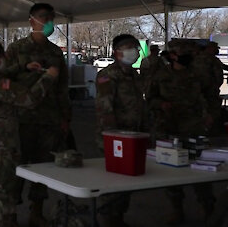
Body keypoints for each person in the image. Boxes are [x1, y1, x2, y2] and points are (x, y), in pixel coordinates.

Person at [0, 38, 58, 227]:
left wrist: (24, 67)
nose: (5, 61)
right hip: (0, 148)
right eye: (2, 57)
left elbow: (1, 73)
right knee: (4, 198)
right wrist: (48, 77)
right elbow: (29, 99)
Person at [4, 3, 73, 226]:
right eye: (44, 17)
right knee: (18, 167)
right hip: (21, 119)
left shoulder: (55, 52)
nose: (49, 22)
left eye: (52, 18)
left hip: (49, 119)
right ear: (32, 20)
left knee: (44, 167)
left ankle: (36, 212)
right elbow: (4, 81)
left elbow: (62, 87)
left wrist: (65, 118)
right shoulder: (16, 50)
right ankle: (11, 214)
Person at [146, 40, 215, 225]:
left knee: (201, 168)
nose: (191, 57)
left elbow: (209, 96)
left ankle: (208, 207)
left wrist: (210, 115)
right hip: (168, 128)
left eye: (191, 54)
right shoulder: (160, 75)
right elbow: (149, 98)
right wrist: (161, 104)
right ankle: (176, 209)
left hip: (194, 127)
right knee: (171, 170)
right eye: (186, 53)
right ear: (174, 55)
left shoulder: (198, 74)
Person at [95, 34, 145, 227]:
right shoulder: (107, 75)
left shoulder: (134, 75)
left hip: (134, 135)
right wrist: (115, 139)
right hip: (115, 137)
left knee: (127, 182)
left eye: (135, 47)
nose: (134, 51)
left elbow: (140, 105)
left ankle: (119, 218)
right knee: (112, 182)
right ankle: (108, 219)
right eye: (129, 47)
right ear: (117, 52)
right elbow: (105, 109)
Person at [192, 41, 224, 134]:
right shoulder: (212, 60)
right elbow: (218, 75)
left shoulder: (196, 58)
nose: (216, 50)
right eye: (215, 48)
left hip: (197, 91)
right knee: (212, 113)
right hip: (210, 91)